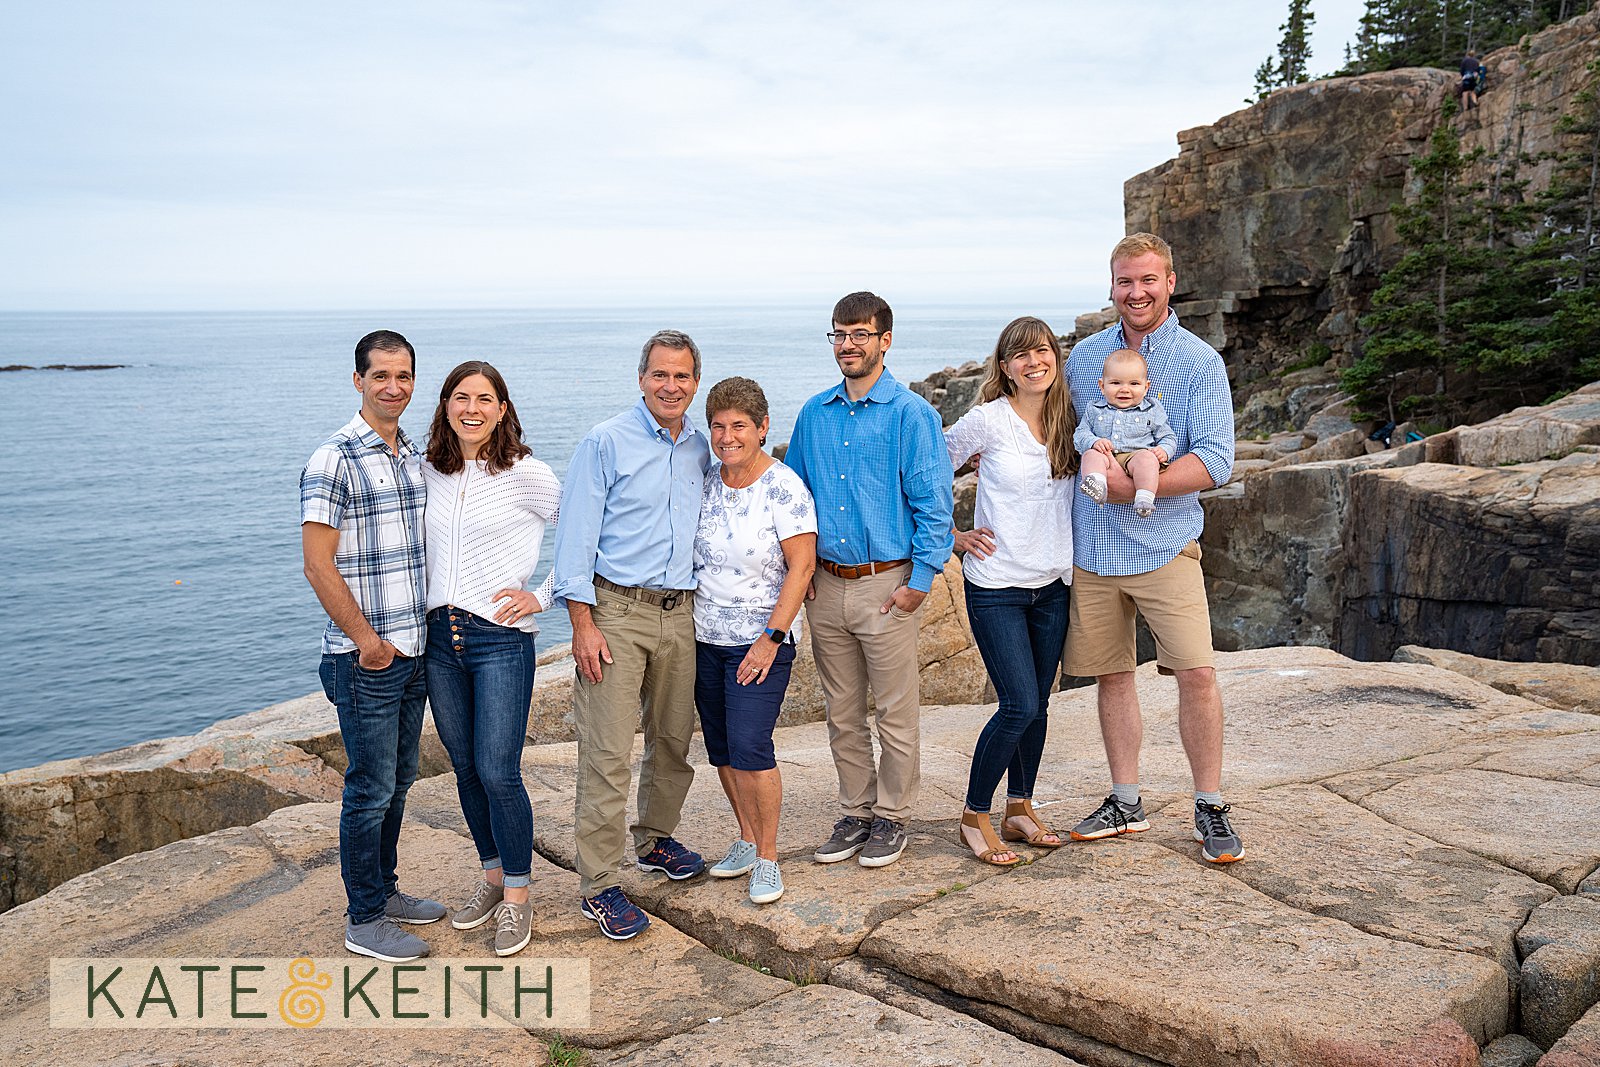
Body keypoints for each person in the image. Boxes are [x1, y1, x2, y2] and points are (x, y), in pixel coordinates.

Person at [1063, 233, 1244, 864]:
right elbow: (1057, 436)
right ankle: (1125, 800)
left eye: (1147, 281)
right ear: (1110, 286)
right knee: (1112, 676)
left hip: (1166, 543)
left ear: (1170, 282)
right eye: (1123, 282)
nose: (1135, 293)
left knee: (1195, 672)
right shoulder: (1083, 360)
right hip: (1094, 552)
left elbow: (1217, 461)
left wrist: (1133, 486)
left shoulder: (1198, 363)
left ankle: (1210, 805)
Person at [551, 329, 711, 940]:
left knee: (672, 740)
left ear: (695, 382)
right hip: (617, 611)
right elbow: (574, 540)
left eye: (682, 376)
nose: (671, 386)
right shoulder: (604, 442)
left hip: (683, 613)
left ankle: (656, 840)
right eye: (660, 375)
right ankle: (599, 884)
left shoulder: (703, 446)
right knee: (610, 751)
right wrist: (582, 623)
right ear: (641, 378)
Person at [786, 292, 955, 869]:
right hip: (825, 586)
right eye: (839, 334)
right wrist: (800, 573)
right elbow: (796, 501)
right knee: (842, 710)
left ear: (885, 340)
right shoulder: (815, 413)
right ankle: (856, 811)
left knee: (896, 710)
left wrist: (922, 579)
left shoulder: (912, 415)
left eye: (859, 334)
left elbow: (935, 502)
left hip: (888, 584)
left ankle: (892, 816)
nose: (848, 345)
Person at [300, 329, 447, 962]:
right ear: (357, 380)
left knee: (400, 780)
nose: (394, 387)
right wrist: (366, 641)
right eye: (381, 376)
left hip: (414, 650)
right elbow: (316, 563)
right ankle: (363, 920)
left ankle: (384, 893)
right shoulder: (334, 458)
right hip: (367, 658)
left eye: (404, 376)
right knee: (368, 788)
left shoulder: (411, 454)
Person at [420, 361, 560, 957]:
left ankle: (520, 900)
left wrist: (543, 595)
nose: (471, 407)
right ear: (445, 406)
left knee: (500, 771)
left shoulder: (528, 474)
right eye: (460, 397)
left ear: (503, 408)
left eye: (484, 398)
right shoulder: (426, 469)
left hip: (500, 639)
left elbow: (590, 531)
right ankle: (493, 878)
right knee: (467, 769)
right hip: (437, 639)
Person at [944, 317, 1077, 867]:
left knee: (1039, 704)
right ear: (1004, 367)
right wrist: (952, 537)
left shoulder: (1072, 419)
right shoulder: (987, 421)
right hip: (996, 584)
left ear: (1054, 358)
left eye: (1040, 351)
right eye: (1018, 355)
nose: (1032, 362)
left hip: (1054, 583)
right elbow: (924, 474)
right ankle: (974, 813)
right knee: (1018, 702)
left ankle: (1018, 808)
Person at [692, 377, 817, 904]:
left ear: (762, 428)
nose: (726, 436)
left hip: (759, 641)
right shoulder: (705, 479)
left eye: (739, 426)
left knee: (750, 747)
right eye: (718, 425)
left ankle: (768, 857)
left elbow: (802, 566)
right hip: (702, 637)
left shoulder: (783, 487)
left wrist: (770, 638)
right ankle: (745, 837)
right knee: (720, 746)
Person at [1074, 348, 1177, 518]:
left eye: (1134, 384)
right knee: (1090, 455)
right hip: (1106, 457)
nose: (1124, 389)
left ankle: (1144, 498)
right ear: (1102, 386)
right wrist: (1093, 442)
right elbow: (1080, 433)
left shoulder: (1151, 410)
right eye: (1116, 383)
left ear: (1146, 387)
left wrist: (1164, 450)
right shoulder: (1094, 409)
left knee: (1148, 459)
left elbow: (1168, 436)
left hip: (1135, 457)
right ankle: (1096, 483)